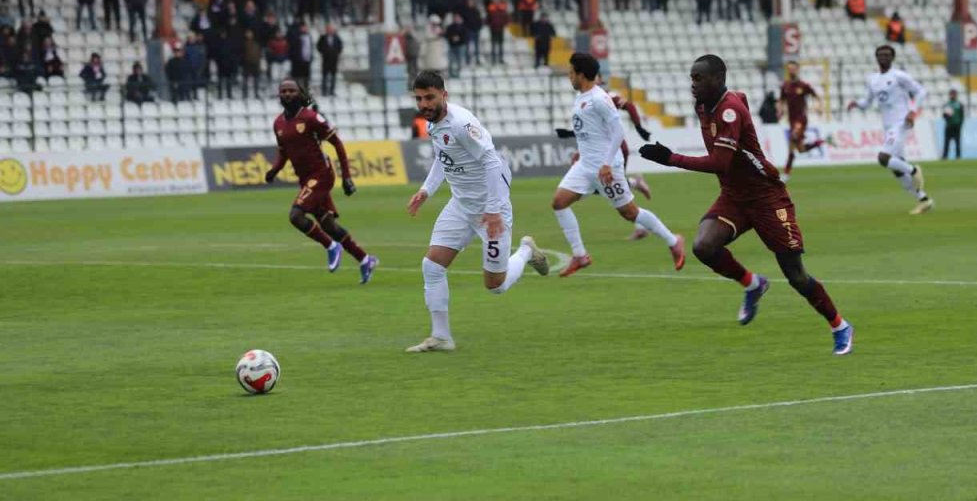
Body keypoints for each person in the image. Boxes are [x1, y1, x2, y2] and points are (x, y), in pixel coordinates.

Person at [637, 54, 854, 355]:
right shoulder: (703, 106)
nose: (692, 84)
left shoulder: (729, 110)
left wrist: (670, 158)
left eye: (698, 78)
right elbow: (742, 98)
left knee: (796, 275)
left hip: (766, 196)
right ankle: (753, 284)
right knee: (703, 247)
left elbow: (719, 162)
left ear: (717, 78)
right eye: (691, 78)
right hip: (734, 196)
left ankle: (840, 326)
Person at [404, 71, 551, 352]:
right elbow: (442, 157)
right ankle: (442, 337)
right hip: (461, 205)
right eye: (419, 98)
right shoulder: (434, 123)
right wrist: (426, 190)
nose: (424, 104)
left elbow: (491, 162)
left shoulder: (461, 123)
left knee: (495, 285)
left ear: (444, 95)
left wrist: (494, 211)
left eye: (430, 97)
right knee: (432, 266)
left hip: (490, 210)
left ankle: (526, 252)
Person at [552, 53, 684, 276]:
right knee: (559, 202)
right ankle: (579, 255)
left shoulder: (599, 99)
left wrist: (605, 164)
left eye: (571, 72)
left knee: (630, 213)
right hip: (585, 165)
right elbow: (591, 130)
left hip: (606, 167)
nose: (569, 76)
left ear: (581, 75)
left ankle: (673, 241)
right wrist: (579, 151)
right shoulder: (582, 96)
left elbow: (618, 131)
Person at [264, 78, 379, 284]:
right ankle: (365, 259)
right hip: (305, 180)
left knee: (296, 215)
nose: (288, 94)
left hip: (321, 175)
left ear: (299, 93)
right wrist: (274, 170)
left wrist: (347, 177)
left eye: (292, 90)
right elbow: (283, 152)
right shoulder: (278, 124)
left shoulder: (311, 118)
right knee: (329, 225)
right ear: (279, 95)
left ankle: (330, 246)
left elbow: (337, 144)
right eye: (284, 91)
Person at [847, 45, 933, 214]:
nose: (883, 57)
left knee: (883, 158)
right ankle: (924, 200)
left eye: (887, 55)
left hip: (901, 123)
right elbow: (867, 103)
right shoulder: (872, 79)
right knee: (896, 170)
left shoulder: (899, 76)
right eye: (880, 54)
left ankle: (914, 169)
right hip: (887, 126)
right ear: (876, 58)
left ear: (892, 58)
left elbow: (921, 92)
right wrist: (856, 104)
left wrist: (912, 111)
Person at [778, 61, 825, 180]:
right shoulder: (785, 86)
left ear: (797, 69)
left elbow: (816, 96)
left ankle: (786, 173)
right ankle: (821, 142)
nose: (791, 71)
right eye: (789, 69)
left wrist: (819, 106)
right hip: (791, 120)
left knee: (793, 137)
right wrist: (780, 110)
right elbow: (781, 100)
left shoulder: (804, 85)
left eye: (793, 69)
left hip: (801, 119)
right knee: (800, 149)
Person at [317, 23, 343, 97]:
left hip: (334, 60)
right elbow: (319, 46)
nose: (330, 31)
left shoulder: (336, 37)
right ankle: (324, 91)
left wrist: (336, 52)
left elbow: (340, 46)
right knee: (324, 76)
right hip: (325, 60)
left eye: (331, 29)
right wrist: (324, 52)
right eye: (328, 29)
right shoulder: (323, 37)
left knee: (333, 77)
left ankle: (332, 91)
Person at [941, 89, 964, 160]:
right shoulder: (947, 104)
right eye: (951, 94)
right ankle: (945, 156)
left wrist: (960, 124)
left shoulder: (959, 104)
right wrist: (946, 115)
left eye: (954, 94)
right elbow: (943, 116)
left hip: (956, 126)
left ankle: (958, 156)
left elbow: (962, 115)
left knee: (957, 142)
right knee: (946, 142)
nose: (953, 95)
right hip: (949, 126)